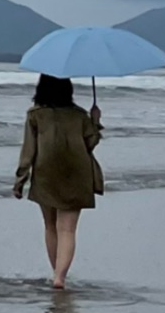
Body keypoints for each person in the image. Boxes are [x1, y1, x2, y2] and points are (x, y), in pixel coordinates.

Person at [13, 73, 103, 287]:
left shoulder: (35, 115)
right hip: (77, 171)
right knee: (68, 229)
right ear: (68, 89)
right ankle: (60, 277)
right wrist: (95, 121)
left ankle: (57, 275)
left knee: (50, 226)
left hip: (46, 171)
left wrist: (20, 179)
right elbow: (90, 143)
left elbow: (29, 150)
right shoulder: (79, 115)